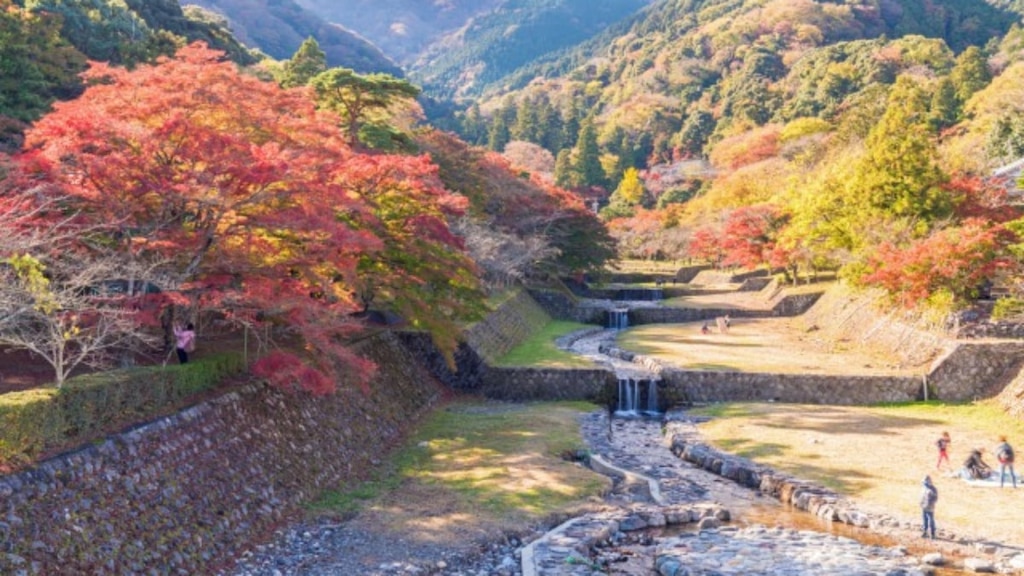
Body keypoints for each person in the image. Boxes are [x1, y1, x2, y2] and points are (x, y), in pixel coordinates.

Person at [920, 475, 938, 539]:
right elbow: (922, 497)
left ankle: (932, 534)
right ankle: (925, 532)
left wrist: (929, 504)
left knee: (931, 520)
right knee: (924, 520)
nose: (924, 483)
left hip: (930, 507)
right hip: (923, 507)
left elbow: (935, 499)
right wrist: (921, 503)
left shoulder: (933, 489)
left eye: (925, 482)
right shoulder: (924, 488)